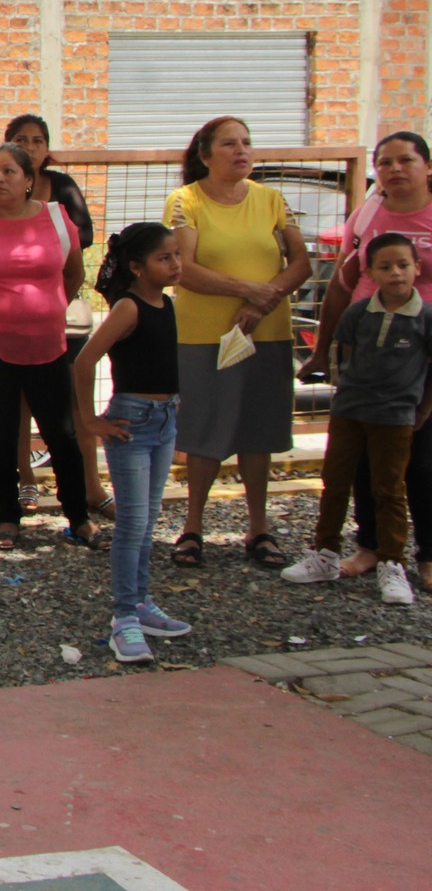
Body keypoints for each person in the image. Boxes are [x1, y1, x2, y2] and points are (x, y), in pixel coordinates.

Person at [163, 116, 311, 569]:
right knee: (205, 430)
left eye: (246, 142)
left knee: (258, 430)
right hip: (205, 336)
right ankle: (192, 527)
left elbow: (300, 263)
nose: (241, 150)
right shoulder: (186, 201)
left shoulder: (271, 200)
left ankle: (259, 528)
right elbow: (184, 268)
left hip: (267, 332)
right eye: (229, 143)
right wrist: (248, 290)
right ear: (205, 155)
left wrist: (263, 301)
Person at [0, 143, 102, 552]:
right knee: (3, 432)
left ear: (29, 180)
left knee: (60, 433)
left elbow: (73, 273)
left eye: (8, 171)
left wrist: (47, 310)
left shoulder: (55, 218)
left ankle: (77, 517)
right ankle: (8, 517)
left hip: (48, 346)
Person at [302, 130, 432, 587]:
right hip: (368, 355)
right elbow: (341, 284)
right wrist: (322, 349)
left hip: (419, 356)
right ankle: (370, 547)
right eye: (385, 162)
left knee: (421, 460)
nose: (395, 169)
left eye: (405, 160)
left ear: (427, 166)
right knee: (361, 460)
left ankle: (426, 554)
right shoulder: (368, 213)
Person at [0, 114, 107, 519]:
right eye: (21, 139)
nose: (30, 146)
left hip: (53, 327)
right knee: (9, 418)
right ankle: (22, 485)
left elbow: (81, 244)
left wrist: (50, 300)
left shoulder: (62, 189)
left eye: (37, 140)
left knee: (66, 415)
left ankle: (87, 495)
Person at [281, 232, 431, 605]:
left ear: (417, 268)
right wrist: (345, 392)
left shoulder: (425, 318)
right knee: (334, 481)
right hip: (349, 412)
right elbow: (344, 354)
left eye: (403, 265)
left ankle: (392, 563)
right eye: (385, 267)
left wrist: (422, 410)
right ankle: (325, 553)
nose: (395, 273)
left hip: (395, 416)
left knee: (389, 490)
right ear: (370, 272)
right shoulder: (359, 312)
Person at [75, 223, 192, 664]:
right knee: (131, 523)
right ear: (138, 267)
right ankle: (123, 615)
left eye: (177, 255)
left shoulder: (167, 303)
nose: (176, 264)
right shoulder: (128, 307)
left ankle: (141, 603)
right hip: (132, 423)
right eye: (165, 258)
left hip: (164, 421)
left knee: (148, 521)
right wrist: (91, 419)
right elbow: (84, 361)